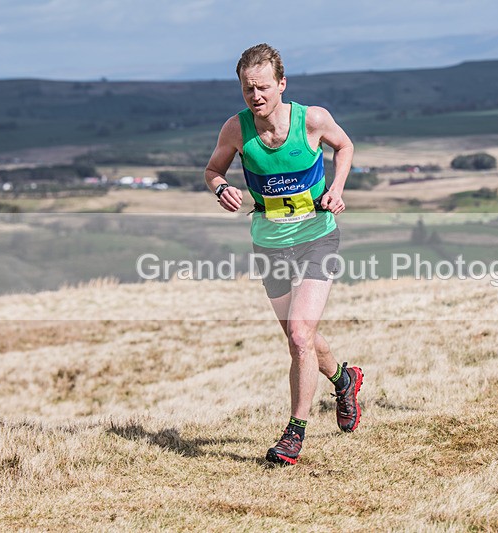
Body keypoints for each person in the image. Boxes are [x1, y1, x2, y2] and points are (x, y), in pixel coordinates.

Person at [204, 43, 363, 465]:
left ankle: (295, 432)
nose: (255, 96)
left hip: (317, 237)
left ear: (281, 84)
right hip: (270, 243)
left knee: (298, 336)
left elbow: (344, 147)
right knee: (302, 337)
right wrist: (221, 187)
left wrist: (336, 190)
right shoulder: (236, 130)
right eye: (247, 89)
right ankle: (344, 379)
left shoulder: (311, 119)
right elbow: (212, 170)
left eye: (262, 88)